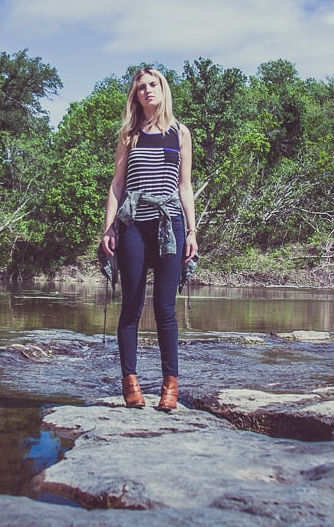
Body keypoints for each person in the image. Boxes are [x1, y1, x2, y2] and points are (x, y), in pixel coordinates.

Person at [100, 67, 198, 411]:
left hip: (171, 225)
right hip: (133, 227)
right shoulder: (130, 134)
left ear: (162, 89)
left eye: (152, 84)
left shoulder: (180, 133)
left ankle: (170, 387)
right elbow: (117, 184)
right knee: (131, 306)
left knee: (165, 310)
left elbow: (185, 186)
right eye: (141, 87)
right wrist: (109, 228)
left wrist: (193, 232)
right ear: (135, 95)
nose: (147, 91)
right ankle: (131, 384)